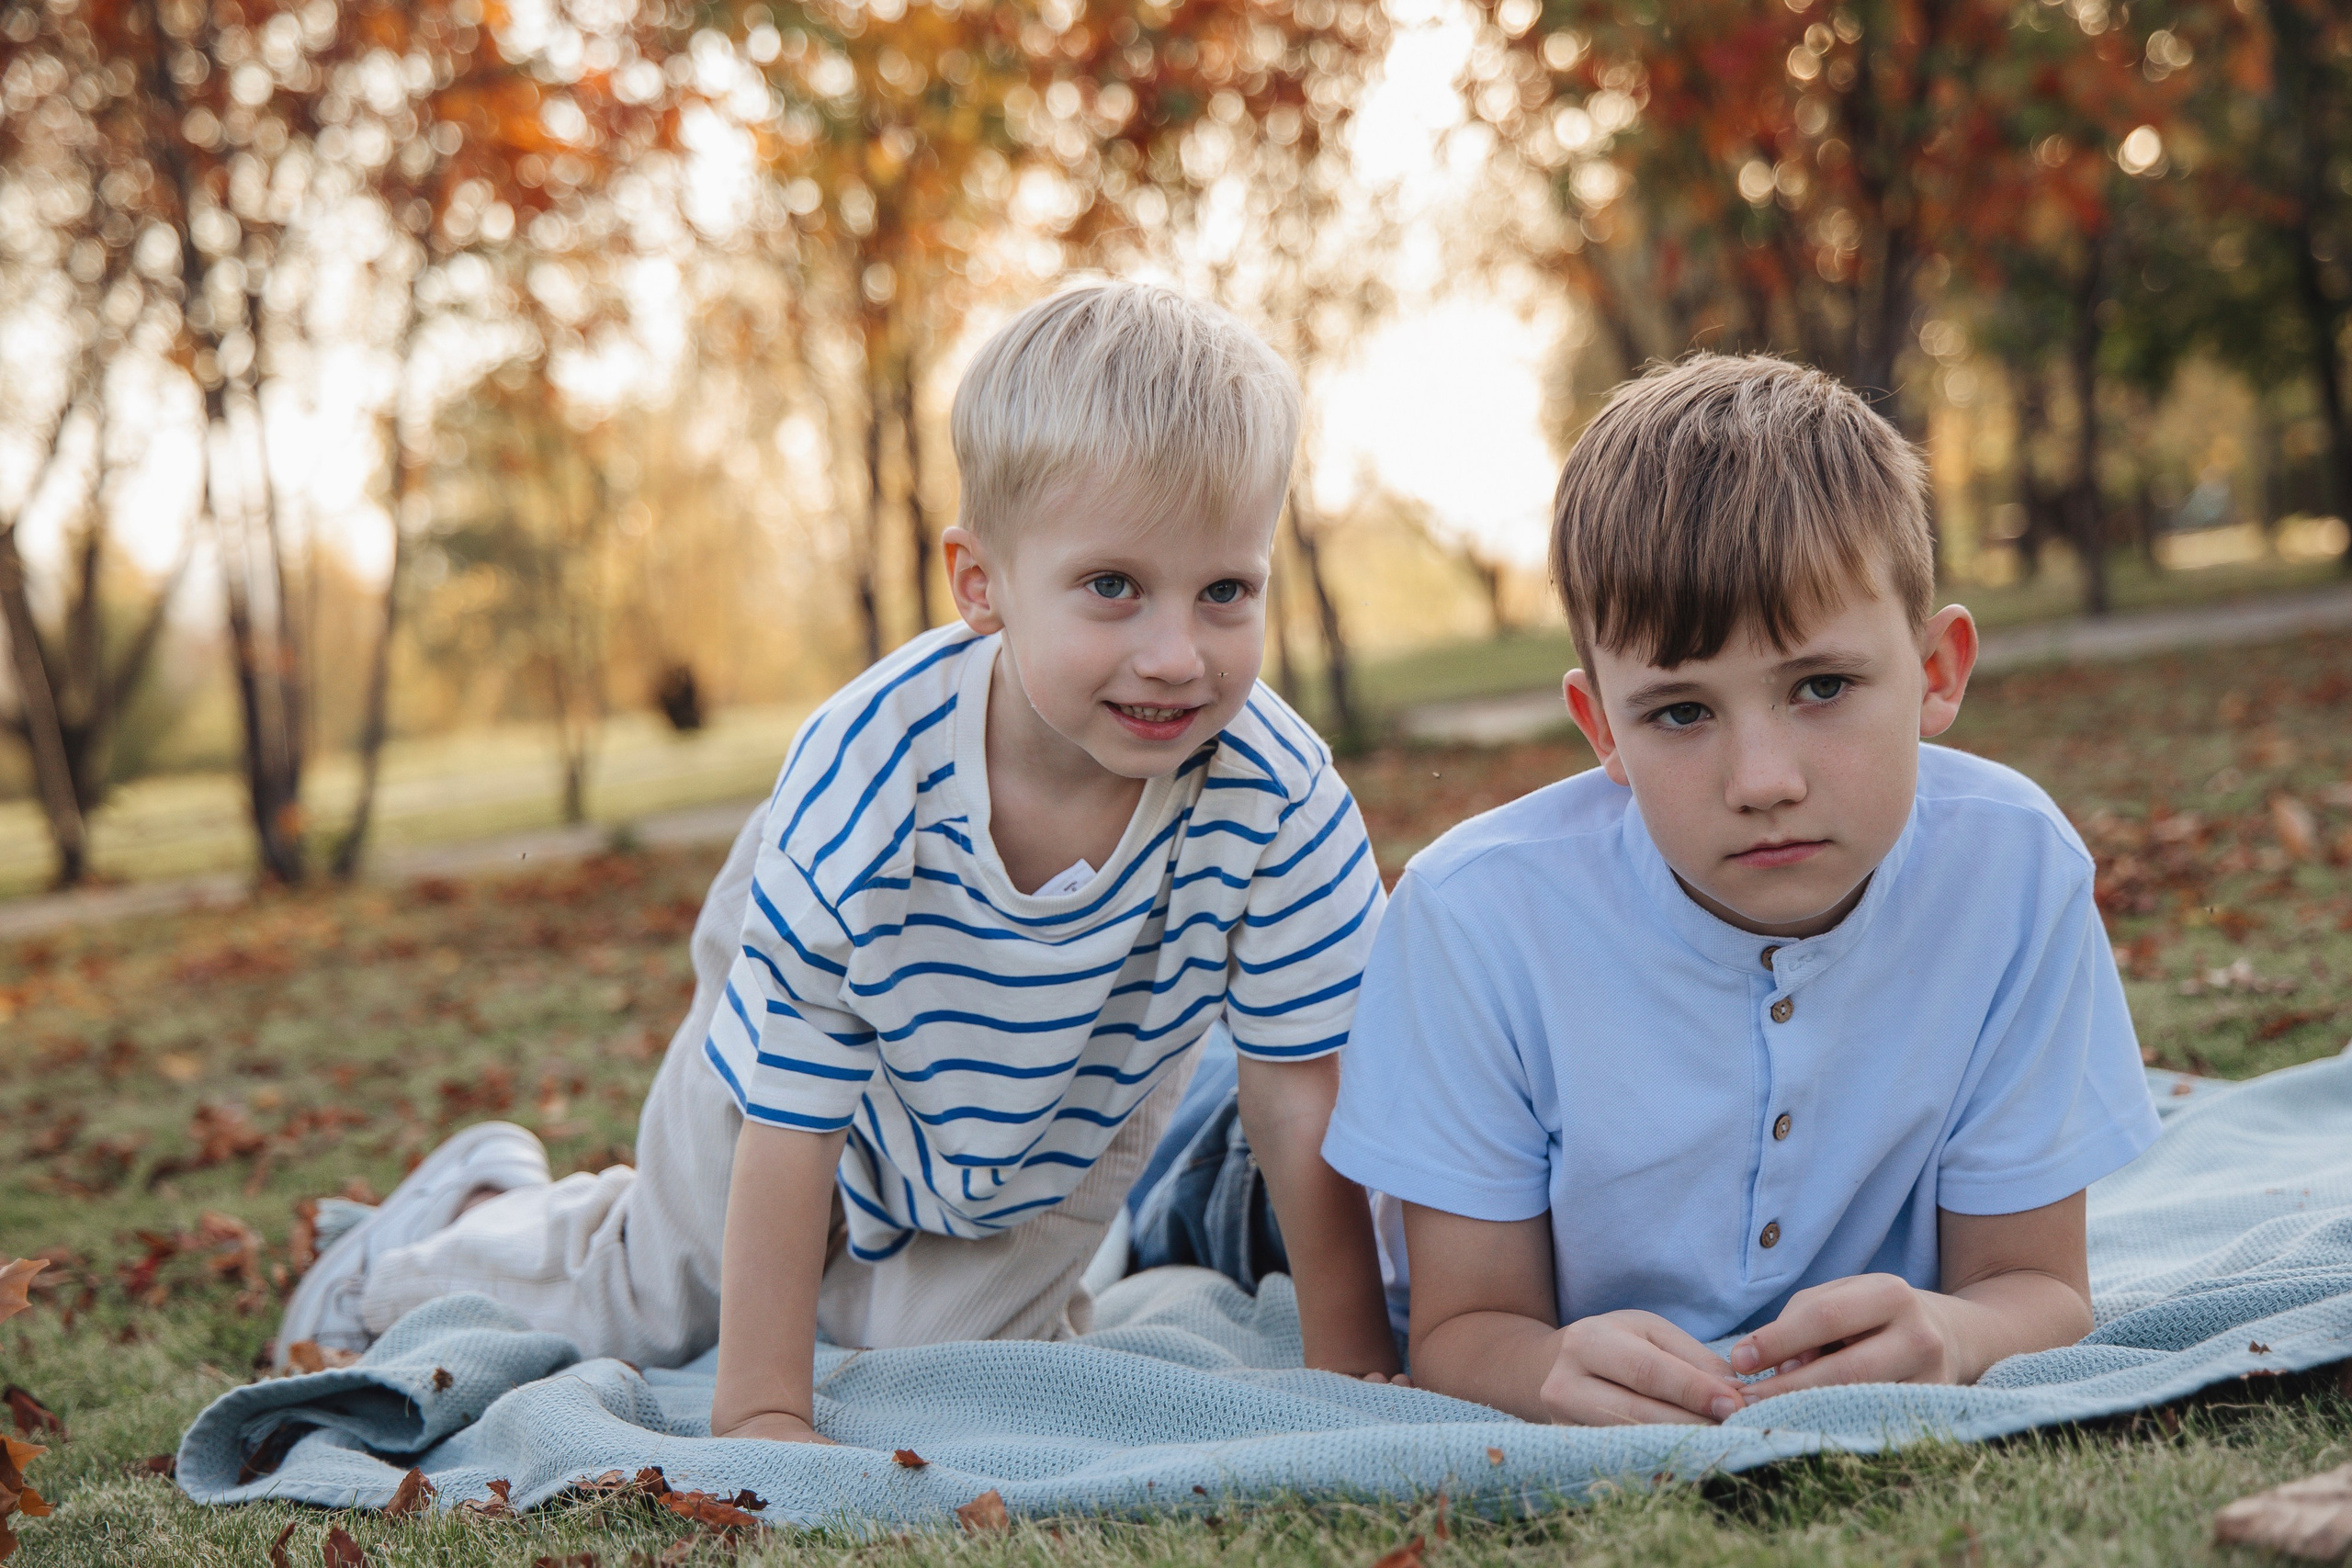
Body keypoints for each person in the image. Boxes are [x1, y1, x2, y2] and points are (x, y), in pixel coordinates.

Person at [277, 284, 1401, 1428]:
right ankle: (452, 1222)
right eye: (1112, 587)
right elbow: (794, 1109)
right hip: (807, 1043)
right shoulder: (871, 772)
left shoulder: (1276, 799)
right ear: (981, 584)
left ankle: (846, 1296)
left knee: (938, 1375)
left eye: (1225, 592)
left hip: (1061, 1102)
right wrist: (764, 1411)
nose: (1175, 655)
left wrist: (1351, 1370)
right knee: (654, 1303)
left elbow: (1293, 1093)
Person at [1321, 355, 2161, 1427]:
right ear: (1600, 728)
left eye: (1822, 686)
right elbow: (1461, 1328)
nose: (1763, 782)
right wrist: (1540, 1369)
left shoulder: (2016, 873)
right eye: (1680, 713)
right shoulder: (1469, 919)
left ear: (1935, 672)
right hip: (1267, 1181)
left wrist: (1956, 1334)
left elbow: (2034, 1285)